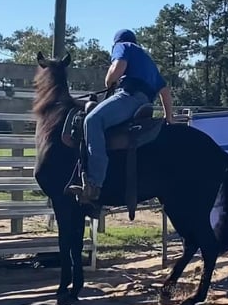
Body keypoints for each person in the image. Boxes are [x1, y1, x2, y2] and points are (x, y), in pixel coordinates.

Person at [68, 29, 174, 204]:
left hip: (128, 96)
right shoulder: (149, 61)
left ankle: (94, 184)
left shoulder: (124, 46)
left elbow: (118, 68)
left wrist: (109, 81)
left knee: (93, 120)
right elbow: (165, 92)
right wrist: (168, 117)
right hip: (145, 103)